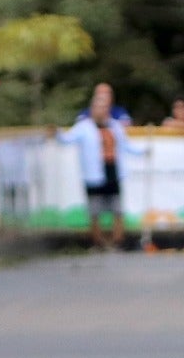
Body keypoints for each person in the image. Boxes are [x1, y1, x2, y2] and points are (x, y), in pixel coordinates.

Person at [54, 94, 148, 250]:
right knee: (95, 211)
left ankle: (117, 241)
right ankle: (98, 243)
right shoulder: (84, 127)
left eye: (104, 108)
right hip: (93, 175)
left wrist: (143, 152)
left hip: (113, 171)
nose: (101, 111)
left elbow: (126, 145)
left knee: (117, 209)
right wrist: (56, 133)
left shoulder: (115, 126)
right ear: (92, 110)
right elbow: (67, 139)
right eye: (98, 108)